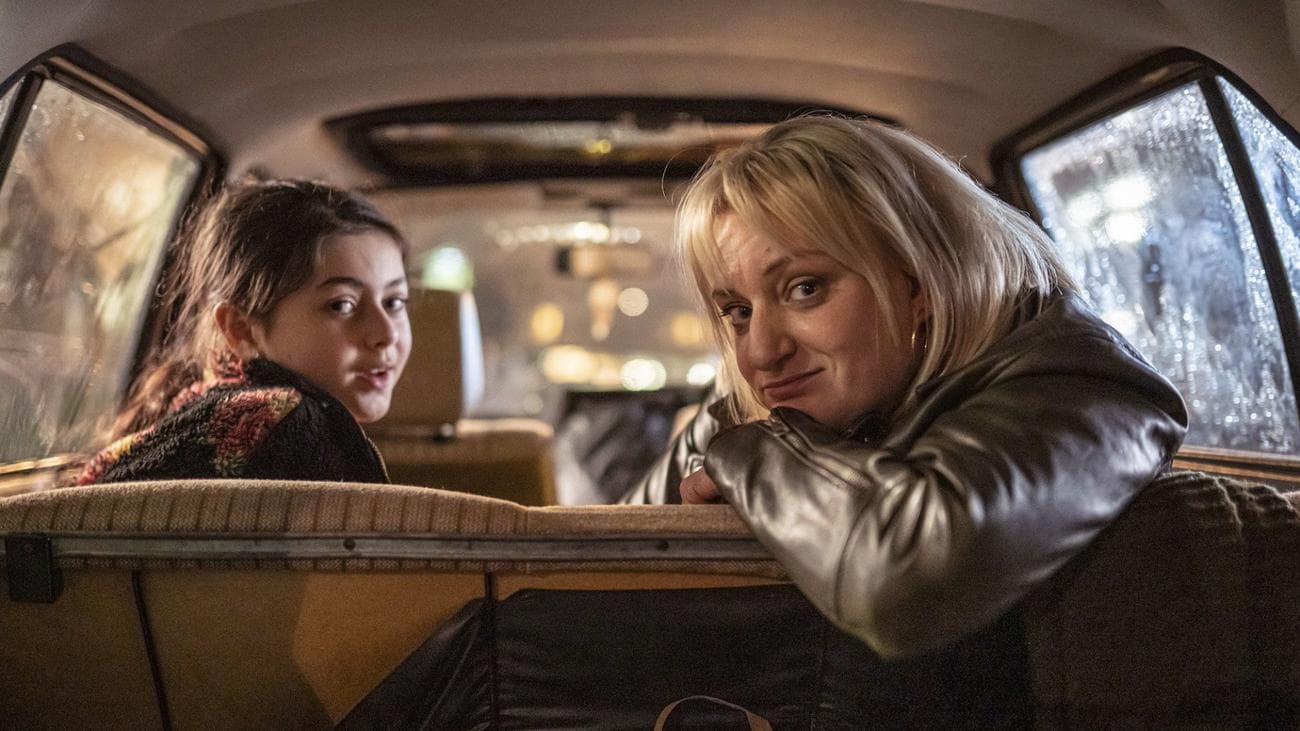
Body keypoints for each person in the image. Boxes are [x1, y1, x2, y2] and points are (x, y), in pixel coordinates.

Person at [621, 116, 1188, 659]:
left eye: (805, 288)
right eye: (738, 311)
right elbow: (590, 568)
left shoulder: (1084, 383)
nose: (760, 352)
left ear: (919, 281)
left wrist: (755, 457)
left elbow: (911, 580)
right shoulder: (745, 417)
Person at [76, 178, 411, 485]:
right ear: (241, 330)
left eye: (394, 301)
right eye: (341, 305)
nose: (385, 334)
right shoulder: (293, 426)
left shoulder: (198, 411)